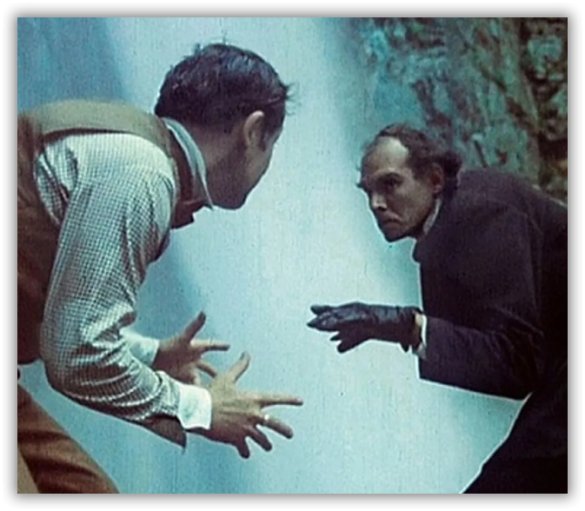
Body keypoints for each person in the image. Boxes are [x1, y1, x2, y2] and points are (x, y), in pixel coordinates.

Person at [18, 43, 303, 493]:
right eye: (272, 146)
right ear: (253, 132)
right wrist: (203, 409)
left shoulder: (136, 151)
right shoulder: (143, 174)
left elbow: (65, 322)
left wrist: (152, 354)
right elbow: (75, 357)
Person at [307, 124, 567, 493]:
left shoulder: (483, 213)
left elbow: (520, 361)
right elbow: (508, 366)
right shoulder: (440, 233)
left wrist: (403, 325)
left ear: (433, 179)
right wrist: (399, 327)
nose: (376, 204)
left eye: (390, 184)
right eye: (368, 192)